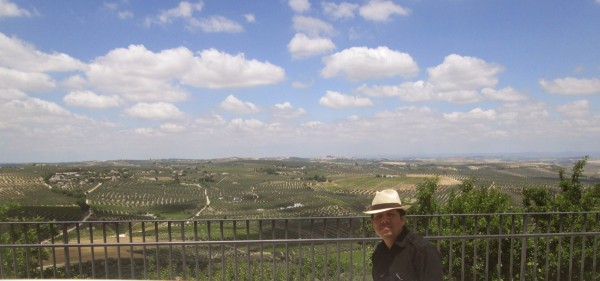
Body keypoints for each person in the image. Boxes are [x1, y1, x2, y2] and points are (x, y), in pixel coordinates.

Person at [364, 189, 443, 281]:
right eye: (379, 216)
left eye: (390, 214)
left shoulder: (422, 251)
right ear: (372, 223)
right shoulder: (378, 254)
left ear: (402, 219)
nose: (384, 220)